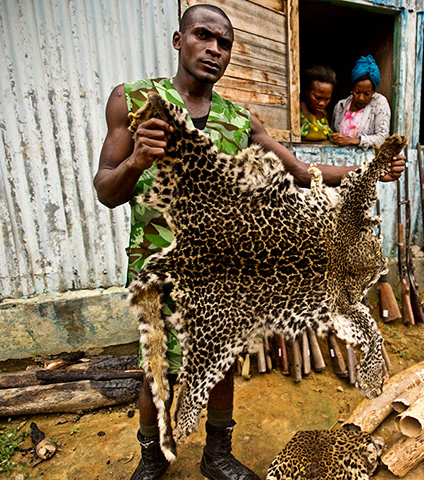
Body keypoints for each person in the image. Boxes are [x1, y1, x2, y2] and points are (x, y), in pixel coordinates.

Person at [93, 5, 404, 480]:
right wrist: (135, 161)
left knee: (222, 359)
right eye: (203, 36)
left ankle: (217, 455)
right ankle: (152, 457)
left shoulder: (238, 121)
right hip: (157, 267)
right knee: (153, 367)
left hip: (224, 270)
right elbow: (105, 191)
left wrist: (371, 170)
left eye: (224, 43)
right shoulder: (133, 101)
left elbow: (300, 172)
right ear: (179, 40)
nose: (214, 49)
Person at [332, 55, 391, 149]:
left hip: (365, 162)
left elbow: (383, 138)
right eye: (357, 92)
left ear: (373, 92)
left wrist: (353, 141)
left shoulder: (380, 103)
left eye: (367, 94)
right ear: (352, 88)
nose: (361, 98)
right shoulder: (340, 106)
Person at [299, 65, 336, 142]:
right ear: (307, 91)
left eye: (327, 99)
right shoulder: (297, 113)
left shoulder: (323, 113)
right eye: (318, 97)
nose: (322, 103)